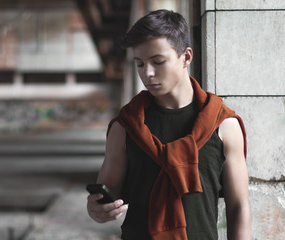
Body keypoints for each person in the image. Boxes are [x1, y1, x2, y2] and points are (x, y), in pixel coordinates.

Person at [87, 9, 251, 240]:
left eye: (158, 61)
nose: (148, 73)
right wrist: (96, 210)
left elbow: (239, 207)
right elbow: (105, 197)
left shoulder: (223, 125)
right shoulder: (125, 126)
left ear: (186, 57)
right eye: (140, 64)